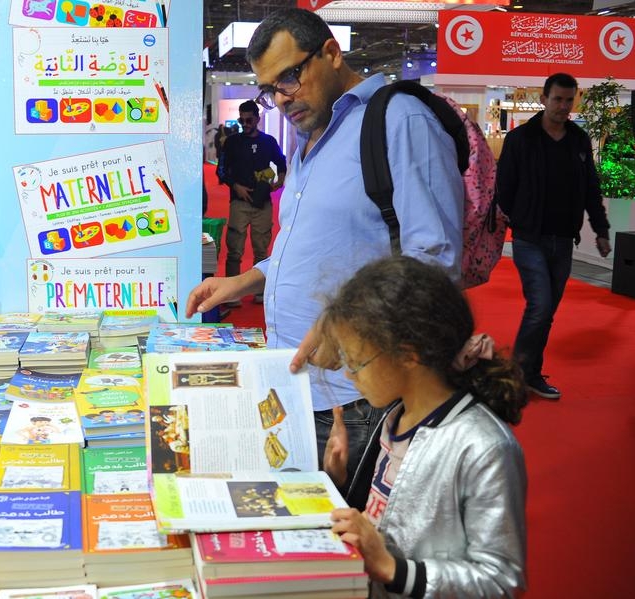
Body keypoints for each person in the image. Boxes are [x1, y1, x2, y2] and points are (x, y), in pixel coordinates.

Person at [186, 8, 464, 479]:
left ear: (331, 52)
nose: (281, 99)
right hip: (291, 380)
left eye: (289, 77)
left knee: (344, 537)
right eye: (269, 88)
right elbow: (306, 247)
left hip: (356, 395)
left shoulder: (400, 121)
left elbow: (435, 263)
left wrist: (344, 323)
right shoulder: (309, 138)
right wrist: (244, 280)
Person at [322, 255, 527, 598]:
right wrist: (339, 481)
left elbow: (502, 579)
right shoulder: (395, 417)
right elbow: (384, 517)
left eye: (358, 362)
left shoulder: (484, 447)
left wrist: (392, 568)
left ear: (407, 355)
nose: (349, 374)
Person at [496, 73, 611, 400]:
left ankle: (530, 373)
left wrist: (601, 230)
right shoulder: (520, 140)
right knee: (541, 305)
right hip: (528, 238)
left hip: (563, 241)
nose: (563, 106)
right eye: (557, 99)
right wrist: (518, 219)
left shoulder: (577, 140)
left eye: (568, 100)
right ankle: (514, 377)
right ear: (544, 99)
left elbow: (591, 188)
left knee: (546, 312)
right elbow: (504, 188)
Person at [218, 100, 287, 305]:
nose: (245, 123)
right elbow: (221, 171)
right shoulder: (231, 143)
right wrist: (235, 186)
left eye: (249, 120)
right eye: (242, 120)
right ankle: (232, 293)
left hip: (262, 203)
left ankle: (259, 292)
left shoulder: (269, 141)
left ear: (257, 118)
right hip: (238, 203)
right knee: (234, 249)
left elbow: (281, 163)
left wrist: (280, 180)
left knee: (261, 249)